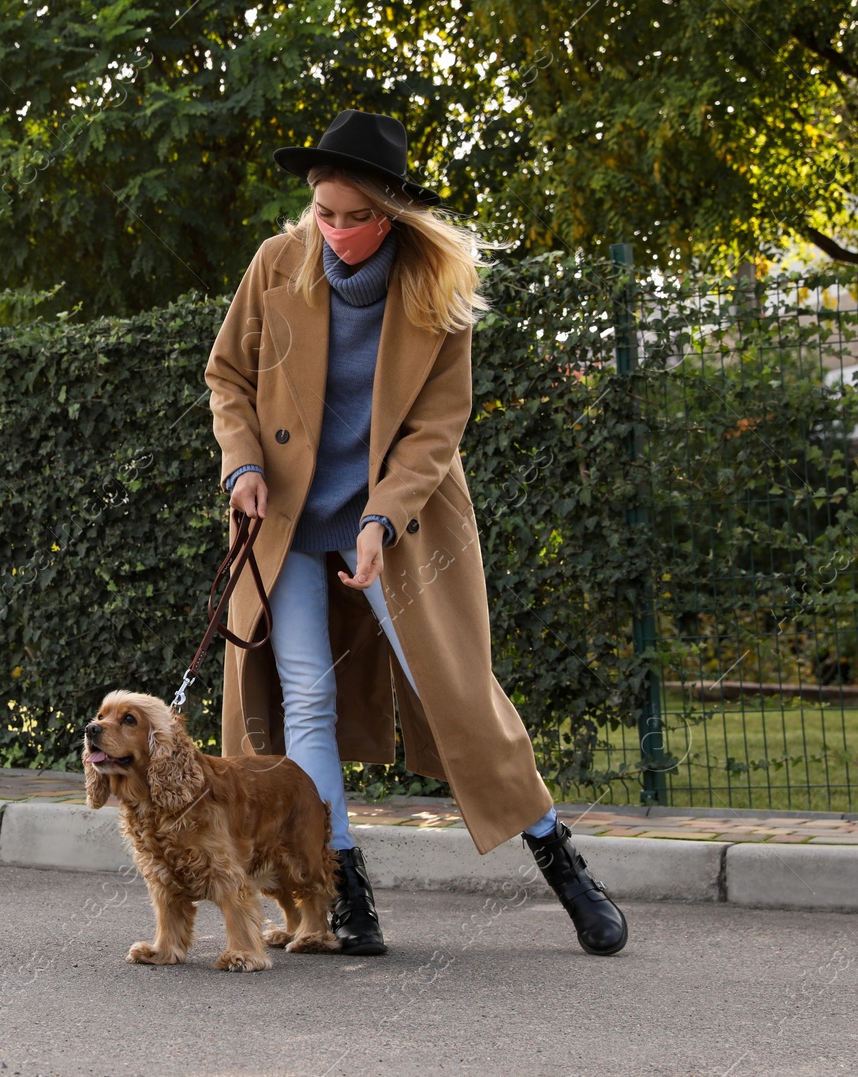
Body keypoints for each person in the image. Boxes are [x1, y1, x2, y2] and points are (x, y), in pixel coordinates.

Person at [203, 109, 627, 957]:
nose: (337, 231)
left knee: (460, 692)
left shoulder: (436, 289)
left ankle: (562, 862)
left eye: (356, 216)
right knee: (303, 702)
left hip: (400, 522)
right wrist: (241, 463)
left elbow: (438, 427)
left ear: (392, 213)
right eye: (325, 212)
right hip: (284, 523)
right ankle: (342, 897)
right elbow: (227, 375)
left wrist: (379, 520)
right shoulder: (276, 265)